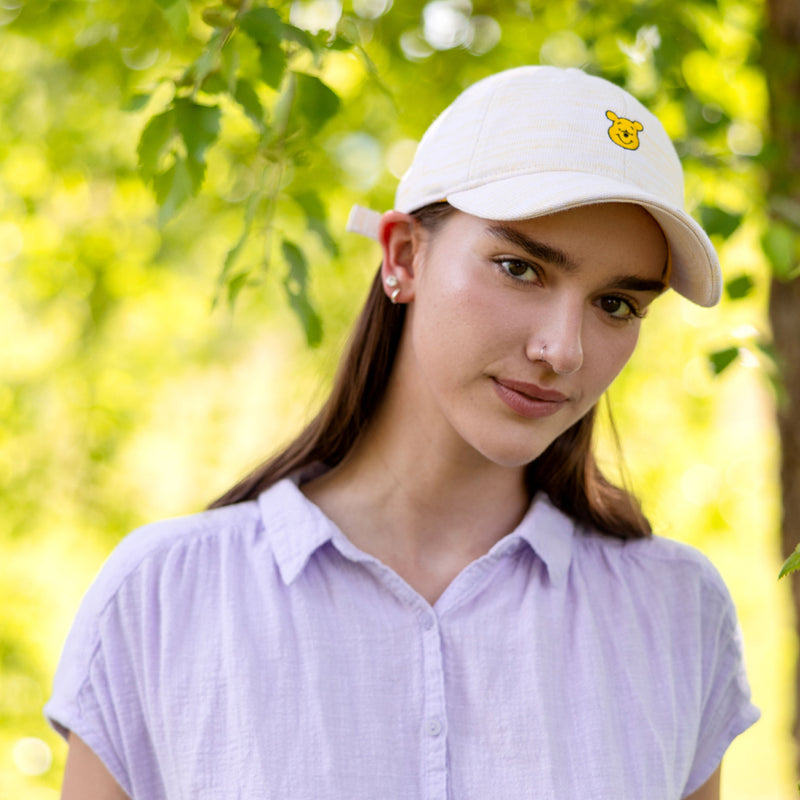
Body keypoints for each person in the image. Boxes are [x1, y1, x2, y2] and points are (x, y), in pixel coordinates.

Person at [46, 65, 759, 799]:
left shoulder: (674, 614)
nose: (565, 350)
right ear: (403, 256)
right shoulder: (166, 598)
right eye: (521, 268)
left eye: (615, 305)